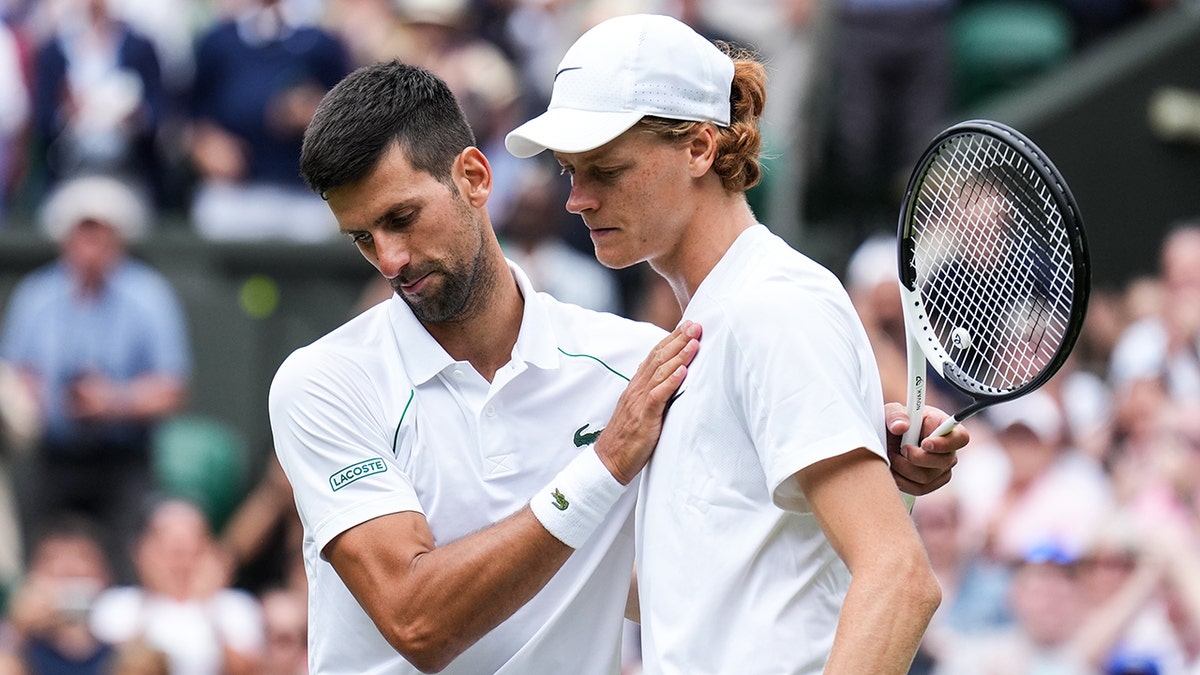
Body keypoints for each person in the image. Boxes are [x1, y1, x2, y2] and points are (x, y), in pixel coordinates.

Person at [271, 59, 965, 673]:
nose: (388, 259)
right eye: (363, 238)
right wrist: (601, 466)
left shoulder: (642, 367)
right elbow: (417, 621)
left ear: (474, 178)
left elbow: (690, 552)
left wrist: (851, 441)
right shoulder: (323, 383)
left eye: (402, 217)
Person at [505, 13, 958, 672]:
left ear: (698, 148)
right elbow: (691, 587)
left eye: (605, 168)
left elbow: (900, 580)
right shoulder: (711, 322)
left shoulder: (772, 308)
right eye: (570, 171)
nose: (577, 199)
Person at [0, 173, 190, 583]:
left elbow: (172, 389)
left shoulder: (150, 295)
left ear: (118, 238)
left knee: (127, 566)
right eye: (80, 233)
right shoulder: (35, 296)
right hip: (52, 457)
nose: (89, 247)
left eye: (99, 234)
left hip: (123, 460)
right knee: (36, 560)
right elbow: (16, 377)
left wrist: (114, 402)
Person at [88, 498, 266, 675]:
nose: (181, 565)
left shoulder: (236, 607)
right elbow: (116, 667)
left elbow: (246, 670)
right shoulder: (115, 606)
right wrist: (150, 604)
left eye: (191, 552)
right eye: (172, 552)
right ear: (141, 552)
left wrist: (207, 607)